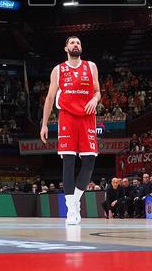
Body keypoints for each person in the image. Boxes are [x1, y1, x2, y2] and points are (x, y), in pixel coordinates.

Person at [40, 36, 101, 226]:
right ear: (65, 47)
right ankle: (71, 209)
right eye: (72, 43)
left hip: (87, 117)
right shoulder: (58, 70)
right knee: (68, 162)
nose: (76, 45)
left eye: (79, 43)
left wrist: (94, 99)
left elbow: (97, 91)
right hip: (67, 118)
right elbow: (50, 98)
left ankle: (75, 201)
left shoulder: (91, 66)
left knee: (89, 160)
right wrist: (44, 124)